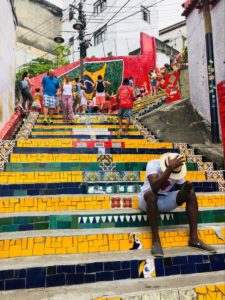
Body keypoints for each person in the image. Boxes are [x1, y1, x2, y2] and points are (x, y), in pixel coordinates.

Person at [138, 152, 216, 257]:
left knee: (190, 193)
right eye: (172, 166)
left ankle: (194, 239)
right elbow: (154, 187)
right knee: (152, 194)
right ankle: (156, 242)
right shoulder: (153, 164)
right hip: (146, 201)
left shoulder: (177, 171)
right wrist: (169, 168)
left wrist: (186, 188)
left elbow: (181, 190)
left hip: (164, 201)